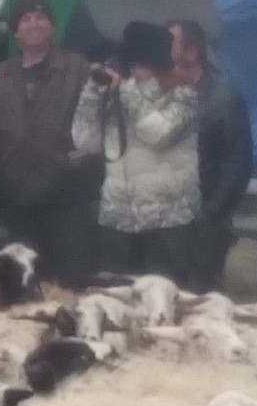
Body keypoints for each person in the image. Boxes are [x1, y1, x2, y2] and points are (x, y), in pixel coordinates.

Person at [0, 0, 96, 283]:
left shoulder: (78, 69)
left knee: (69, 281)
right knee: (20, 282)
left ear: (52, 27)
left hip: (65, 197)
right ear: (16, 31)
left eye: (41, 18)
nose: (34, 24)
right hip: (16, 198)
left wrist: (73, 165)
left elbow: (96, 121)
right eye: (26, 19)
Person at [74, 20, 199, 280]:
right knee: (116, 302)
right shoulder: (115, 96)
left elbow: (158, 135)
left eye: (141, 64)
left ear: (158, 65)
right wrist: (92, 95)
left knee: (161, 306)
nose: (134, 71)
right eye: (131, 64)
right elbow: (85, 143)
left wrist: (128, 90)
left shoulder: (183, 95)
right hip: (117, 217)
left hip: (166, 222)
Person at [170, 19, 254, 295]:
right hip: (164, 221)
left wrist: (209, 215)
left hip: (203, 224)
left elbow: (237, 164)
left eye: (170, 43)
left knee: (197, 303)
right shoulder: (161, 90)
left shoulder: (223, 99)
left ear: (192, 53)